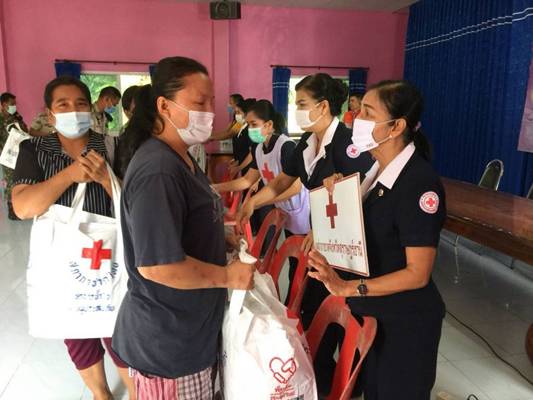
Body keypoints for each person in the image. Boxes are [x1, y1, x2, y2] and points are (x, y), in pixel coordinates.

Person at [111, 56, 254, 400]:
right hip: (169, 343)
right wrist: (228, 277)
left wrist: (216, 235)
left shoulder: (181, 157)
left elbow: (182, 219)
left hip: (190, 327)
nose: (209, 112)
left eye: (211, 102)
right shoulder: (158, 170)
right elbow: (157, 266)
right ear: (164, 106)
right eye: (199, 103)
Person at [308, 80, 446, 400]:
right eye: (358, 111)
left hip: (405, 323)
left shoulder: (418, 183)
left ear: (396, 126)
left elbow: (418, 273)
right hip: (374, 314)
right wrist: (338, 196)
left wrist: (348, 288)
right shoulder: (374, 172)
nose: (356, 119)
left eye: (368, 113)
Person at [235, 73, 374, 393]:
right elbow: (282, 183)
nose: (296, 110)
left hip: (346, 250)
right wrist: (252, 201)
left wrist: (320, 228)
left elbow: (358, 197)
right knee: (313, 312)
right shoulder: (307, 144)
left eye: (302, 104)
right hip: (321, 244)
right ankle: (320, 381)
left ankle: (345, 385)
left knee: (342, 317)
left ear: (323, 107)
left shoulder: (347, 144)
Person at [10, 76, 135, 400]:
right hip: (62, 257)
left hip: (112, 252)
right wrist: (70, 175)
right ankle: (101, 394)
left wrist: (105, 179)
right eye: (63, 105)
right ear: (49, 114)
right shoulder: (34, 149)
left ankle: (137, 393)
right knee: (76, 329)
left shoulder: (113, 145)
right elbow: (23, 207)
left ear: (90, 108)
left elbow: (134, 202)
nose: (73, 111)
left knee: (120, 328)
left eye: (80, 104)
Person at [213, 99, 310, 294]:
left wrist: (261, 202)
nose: (250, 129)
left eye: (253, 124)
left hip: (301, 211)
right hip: (285, 209)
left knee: (303, 264)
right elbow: (247, 180)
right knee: (295, 261)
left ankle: (301, 301)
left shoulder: (286, 146)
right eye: (248, 125)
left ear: (269, 125)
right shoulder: (259, 149)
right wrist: (215, 187)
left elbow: (295, 187)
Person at [0, 92, 28, 219]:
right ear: (3, 104)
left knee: (20, 180)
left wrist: (19, 120)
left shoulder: (16, 118)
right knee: (10, 181)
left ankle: (20, 206)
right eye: (11, 104)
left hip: (20, 154)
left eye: (14, 104)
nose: (14, 106)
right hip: (7, 157)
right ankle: (12, 209)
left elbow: (25, 131)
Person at [92, 86, 121, 166]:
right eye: (114, 105)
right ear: (106, 99)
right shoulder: (87, 113)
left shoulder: (105, 116)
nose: (114, 108)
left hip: (101, 154)